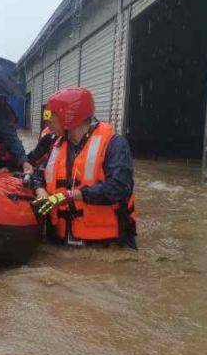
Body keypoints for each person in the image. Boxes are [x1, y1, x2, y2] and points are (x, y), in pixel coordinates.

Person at [32, 87, 137, 248]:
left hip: (105, 244)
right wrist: (41, 191)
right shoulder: (55, 143)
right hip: (62, 239)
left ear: (69, 118)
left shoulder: (114, 144)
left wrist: (70, 195)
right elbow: (38, 174)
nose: (48, 123)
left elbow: (119, 187)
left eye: (52, 117)